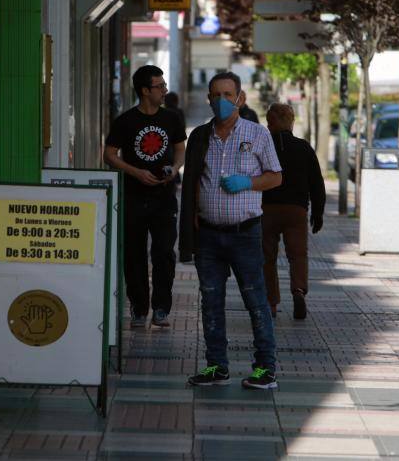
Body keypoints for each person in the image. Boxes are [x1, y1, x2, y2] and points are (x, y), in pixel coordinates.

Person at [179, 71, 282, 389]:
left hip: (245, 233)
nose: (221, 101)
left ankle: (265, 368)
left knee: (256, 300)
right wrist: (193, 218)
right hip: (208, 234)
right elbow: (193, 180)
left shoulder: (257, 134)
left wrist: (248, 183)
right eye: (215, 95)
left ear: (240, 98)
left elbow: (276, 176)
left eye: (227, 95)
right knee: (210, 302)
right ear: (208, 99)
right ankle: (216, 366)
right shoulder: (200, 136)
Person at [104, 65, 186, 328]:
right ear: (144, 90)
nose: (164, 90)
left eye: (164, 86)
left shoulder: (172, 118)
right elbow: (109, 155)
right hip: (134, 196)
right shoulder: (125, 121)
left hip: (164, 197)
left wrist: (174, 169)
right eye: (159, 86)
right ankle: (139, 308)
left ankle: (161, 307)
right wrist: (136, 172)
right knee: (134, 254)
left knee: (164, 252)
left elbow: (180, 150)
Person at [262, 103, 325, 320]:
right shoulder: (304, 147)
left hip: (266, 210)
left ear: (270, 123)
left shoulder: (262, 146)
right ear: (291, 121)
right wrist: (318, 212)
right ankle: (298, 290)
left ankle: (270, 303)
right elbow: (317, 183)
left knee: (266, 257)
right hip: (296, 210)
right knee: (298, 255)